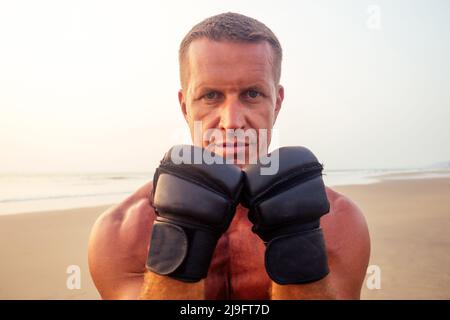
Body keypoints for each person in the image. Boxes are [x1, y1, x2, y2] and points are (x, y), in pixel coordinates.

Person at [88, 12, 370, 300]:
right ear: (185, 107)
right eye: (210, 96)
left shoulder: (338, 221)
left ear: (277, 102)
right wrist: (177, 241)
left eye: (251, 94)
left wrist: (297, 240)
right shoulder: (123, 231)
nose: (232, 121)